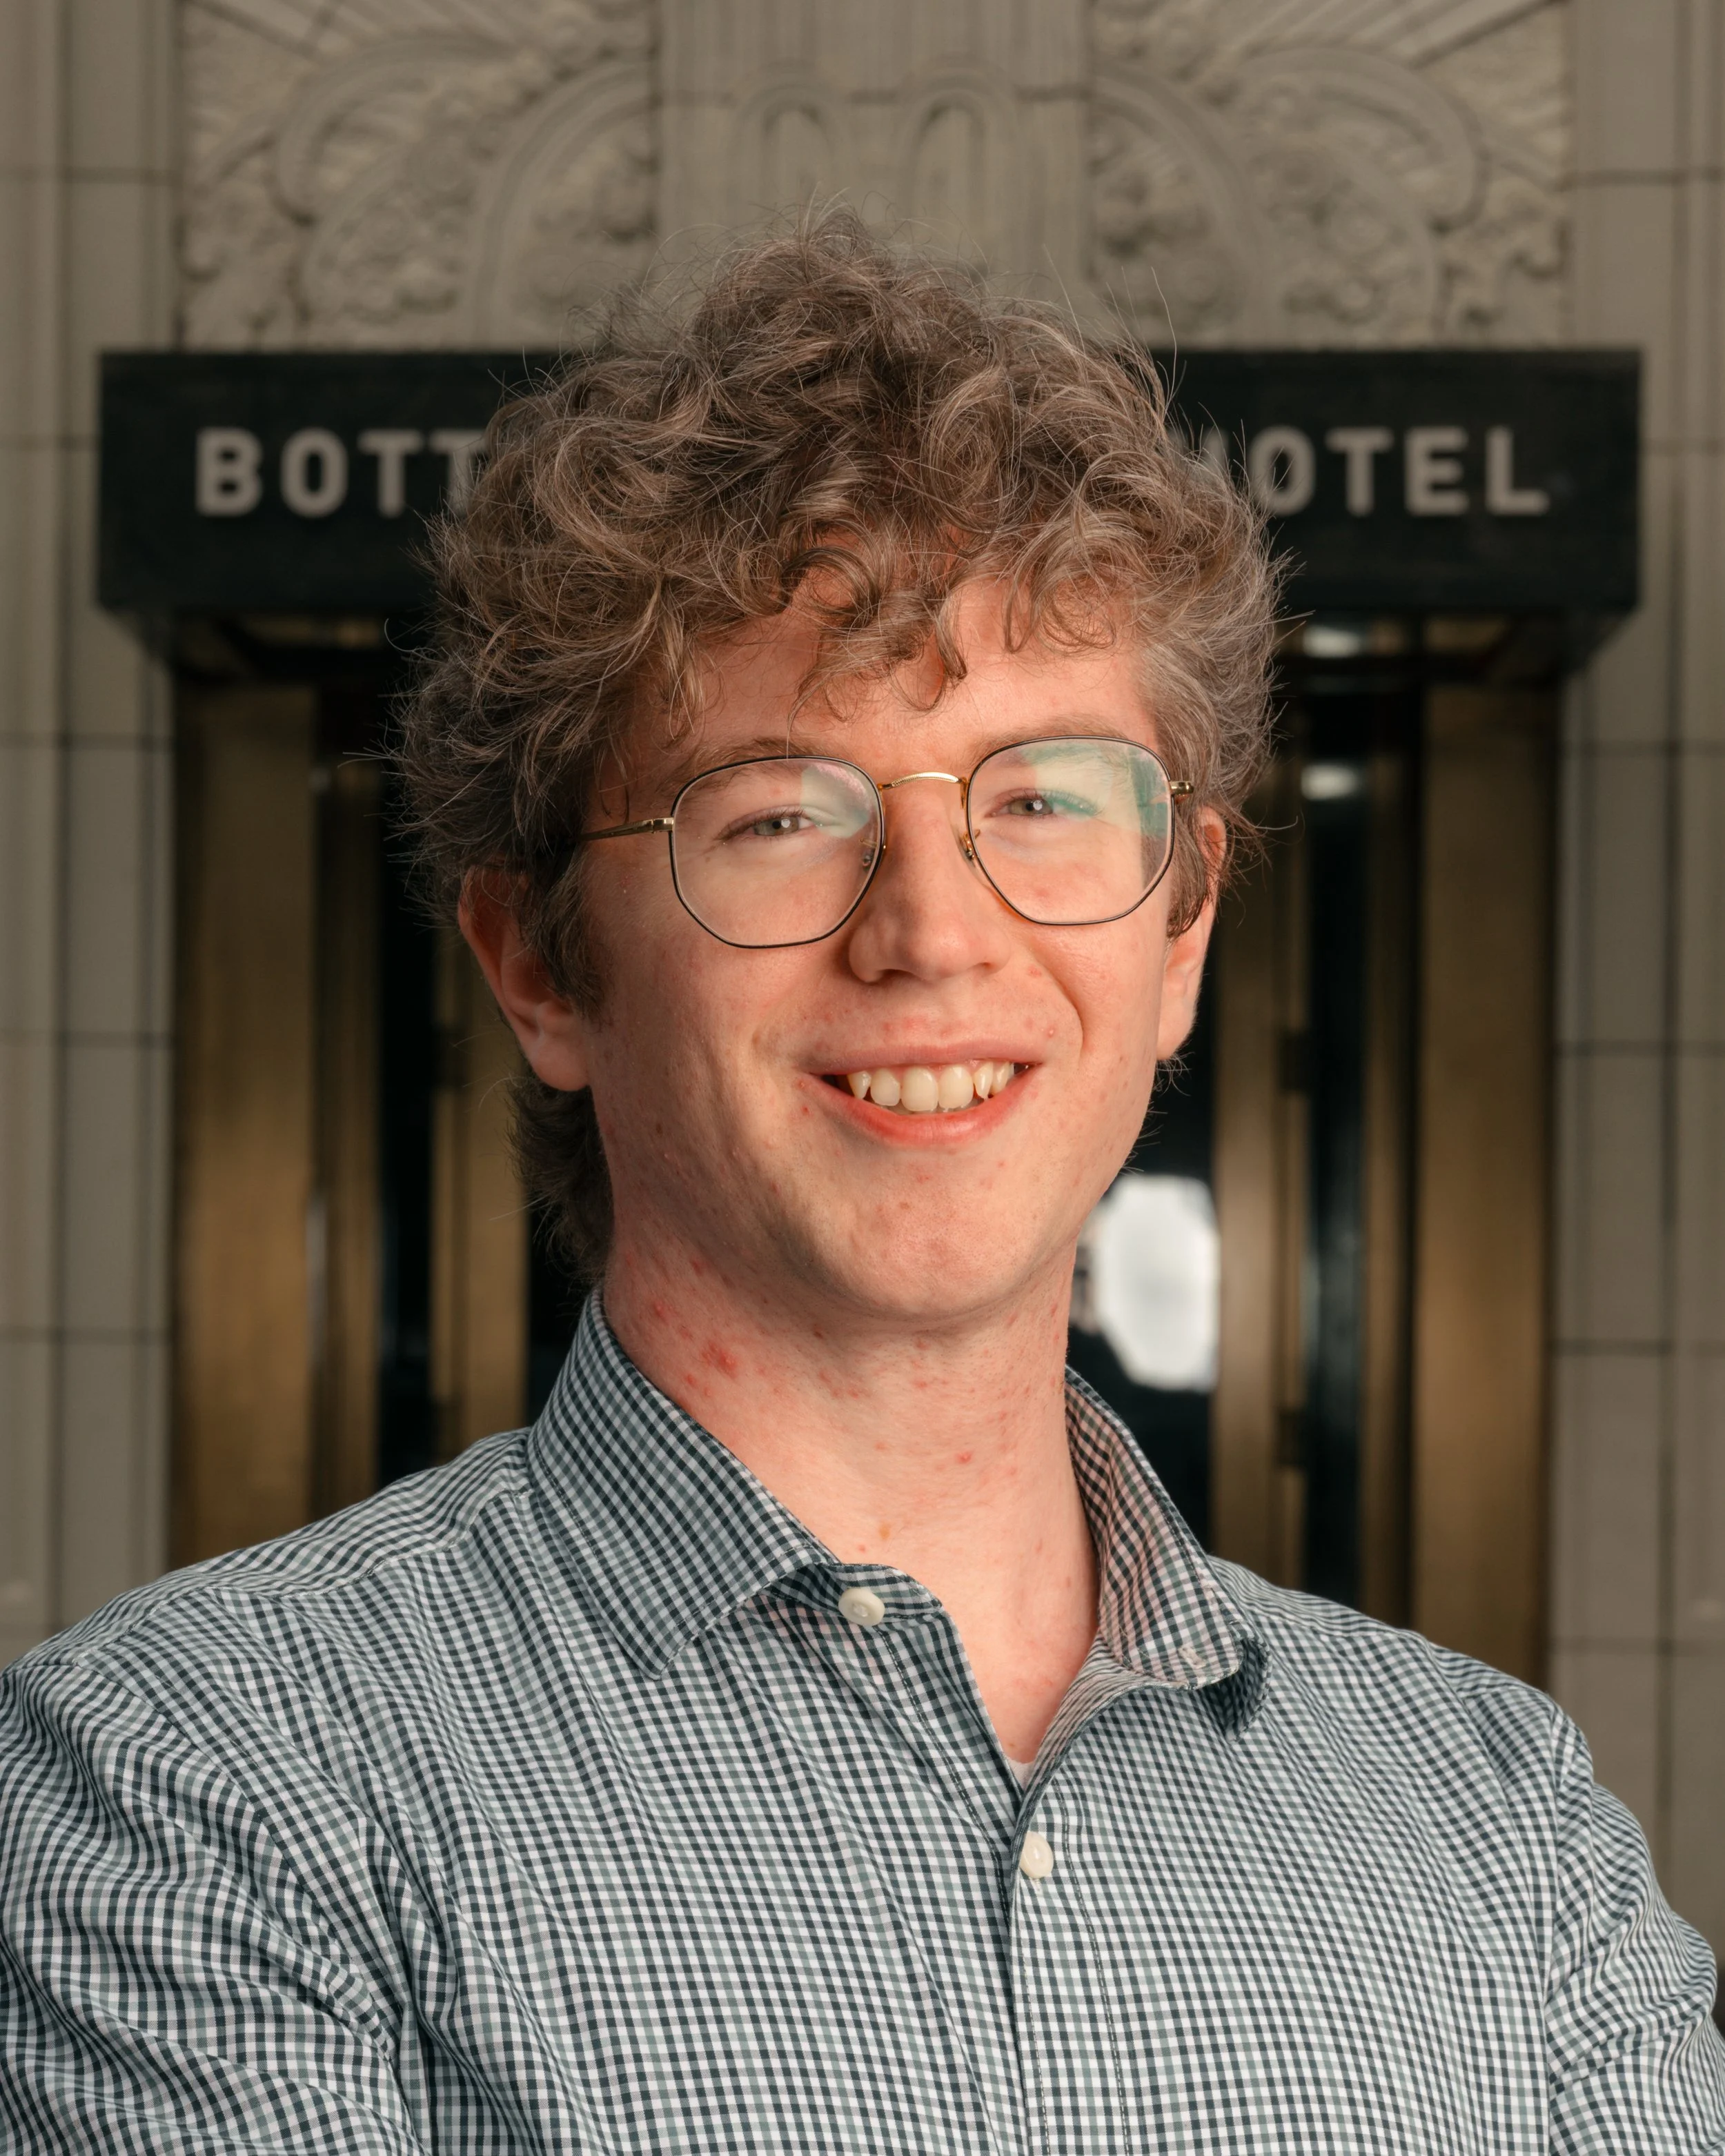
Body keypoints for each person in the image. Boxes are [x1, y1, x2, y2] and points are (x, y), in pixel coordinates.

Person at [3, 215, 1721, 2155]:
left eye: (1046, 799)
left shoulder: (1504, 1832)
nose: (929, 934)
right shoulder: (203, 1776)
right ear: (542, 966)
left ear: (1181, 932)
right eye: (777, 817)